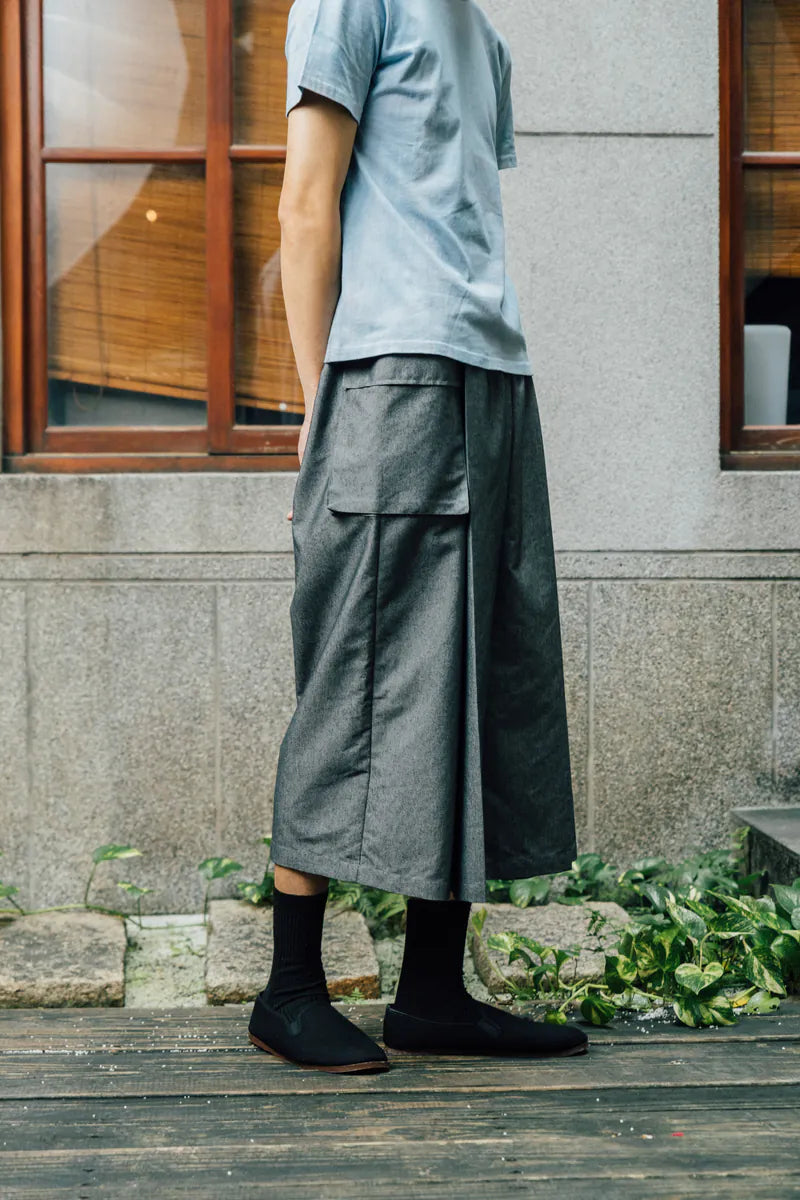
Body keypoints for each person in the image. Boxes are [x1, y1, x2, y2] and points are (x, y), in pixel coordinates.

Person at [247, 0, 589, 1073]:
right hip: (389, 377)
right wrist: (324, 408)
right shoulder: (355, 2)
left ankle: (432, 992)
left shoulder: (483, 36)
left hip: (492, 374)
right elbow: (306, 205)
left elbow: (454, 212)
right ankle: (288, 990)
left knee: (483, 675)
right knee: (354, 680)